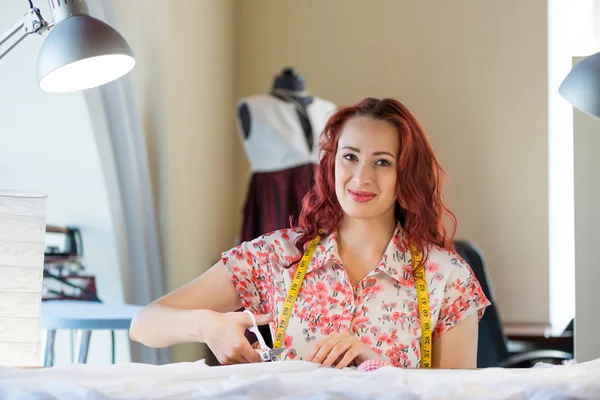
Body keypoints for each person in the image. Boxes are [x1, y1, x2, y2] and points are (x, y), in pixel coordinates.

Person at [129, 97, 491, 369]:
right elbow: (145, 323)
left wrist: (380, 369)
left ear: (406, 174)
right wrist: (206, 326)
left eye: (382, 161)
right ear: (331, 163)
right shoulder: (275, 257)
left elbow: (459, 393)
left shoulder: (447, 277)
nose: (361, 177)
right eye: (350, 157)